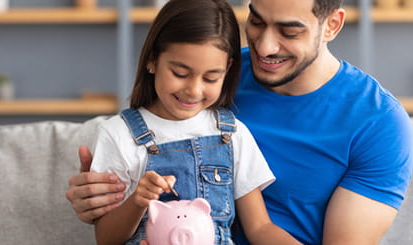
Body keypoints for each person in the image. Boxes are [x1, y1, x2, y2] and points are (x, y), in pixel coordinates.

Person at [66, 0, 413, 244]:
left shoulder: (379, 122)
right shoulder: (216, 68)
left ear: (332, 25)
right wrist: (100, 200)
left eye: (289, 31)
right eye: (257, 21)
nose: (263, 47)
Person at [87, 0, 301, 244]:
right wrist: (138, 201)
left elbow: (260, 227)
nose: (193, 90)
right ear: (152, 60)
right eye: (180, 73)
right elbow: (106, 239)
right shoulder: (118, 135)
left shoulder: (232, 134)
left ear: (227, 70)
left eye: (211, 78)